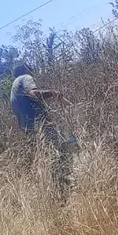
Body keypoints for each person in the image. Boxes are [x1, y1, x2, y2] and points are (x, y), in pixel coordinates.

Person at [10, 65, 76, 193]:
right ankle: (68, 182)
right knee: (62, 147)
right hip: (40, 124)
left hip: (29, 129)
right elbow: (33, 93)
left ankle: (56, 187)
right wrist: (52, 92)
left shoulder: (14, 87)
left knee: (46, 156)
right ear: (26, 70)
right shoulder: (25, 77)